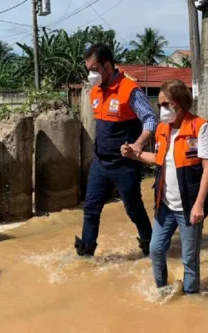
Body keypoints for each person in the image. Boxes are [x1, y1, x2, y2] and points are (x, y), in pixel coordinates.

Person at [121, 79, 208, 294]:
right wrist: (134, 154)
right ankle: (162, 290)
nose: (161, 109)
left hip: (189, 205)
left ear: (180, 103)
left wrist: (199, 204)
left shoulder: (200, 127)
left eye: (165, 104)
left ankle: (191, 299)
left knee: (189, 259)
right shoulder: (163, 129)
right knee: (155, 250)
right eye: (159, 105)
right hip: (165, 205)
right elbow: (158, 158)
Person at [74, 43, 157, 257]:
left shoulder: (129, 89)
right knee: (91, 209)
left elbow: (149, 119)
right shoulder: (95, 92)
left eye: (94, 69)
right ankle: (86, 253)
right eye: (88, 70)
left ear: (107, 65)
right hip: (100, 162)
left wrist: (138, 144)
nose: (91, 74)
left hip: (125, 165)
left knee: (133, 208)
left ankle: (151, 247)